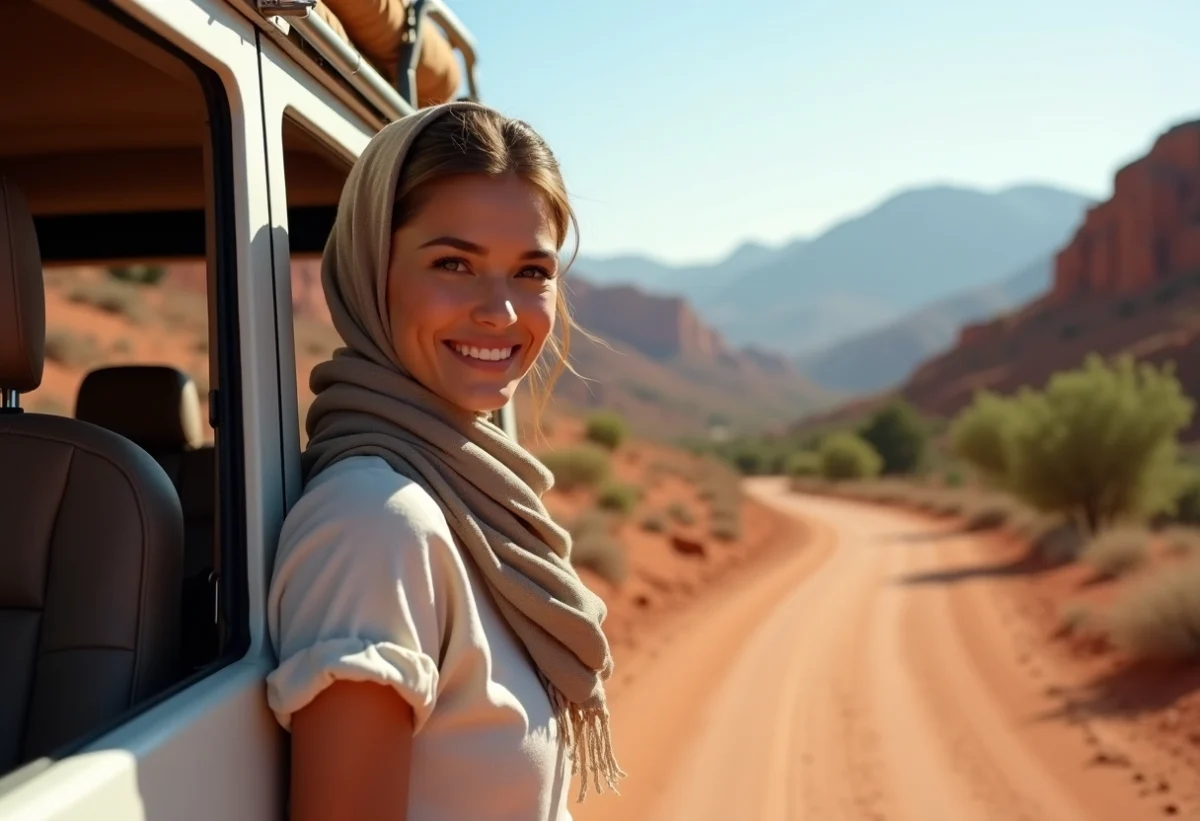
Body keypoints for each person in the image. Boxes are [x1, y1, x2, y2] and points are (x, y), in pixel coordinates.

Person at [265, 102, 624, 821]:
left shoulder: (466, 495)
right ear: (374, 268)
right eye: (453, 263)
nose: (501, 311)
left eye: (531, 271)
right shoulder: (378, 527)